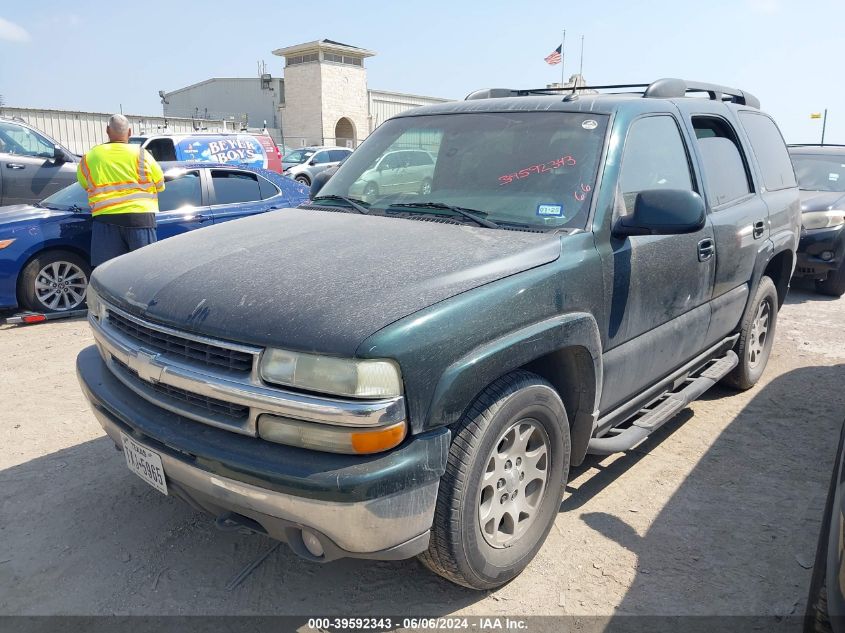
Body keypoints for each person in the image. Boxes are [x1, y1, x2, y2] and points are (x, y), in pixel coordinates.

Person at [77, 114, 164, 267]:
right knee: (145, 271)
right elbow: (160, 184)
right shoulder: (143, 154)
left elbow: (85, 184)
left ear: (107, 131)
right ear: (129, 132)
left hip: (105, 220)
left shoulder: (90, 156)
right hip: (140, 219)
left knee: (107, 273)